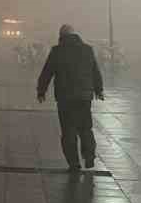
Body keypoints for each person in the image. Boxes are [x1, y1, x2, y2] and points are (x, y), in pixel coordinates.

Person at [36, 24, 104, 171]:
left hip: (65, 97)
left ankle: (74, 163)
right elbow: (95, 71)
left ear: (61, 36)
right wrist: (99, 90)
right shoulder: (87, 49)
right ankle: (89, 156)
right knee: (85, 128)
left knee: (68, 131)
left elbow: (47, 72)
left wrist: (41, 91)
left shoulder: (57, 51)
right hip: (84, 97)